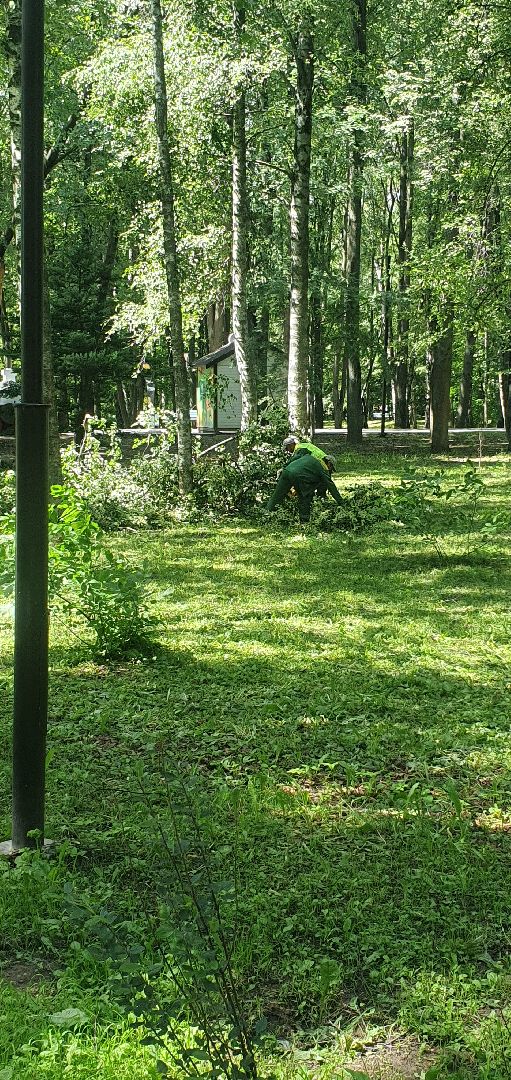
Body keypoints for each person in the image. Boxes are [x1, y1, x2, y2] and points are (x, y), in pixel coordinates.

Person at [267, 447, 343, 523]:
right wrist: (341, 503)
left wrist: (284, 466)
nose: (330, 470)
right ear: (329, 463)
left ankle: (267, 513)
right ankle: (304, 520)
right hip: (297, 476)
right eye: (331, 468)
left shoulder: (309, 457)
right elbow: (331, 486)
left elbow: (297, 456)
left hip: (287, 471)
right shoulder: (322, 469)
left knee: (277, 495)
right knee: (305, 497)